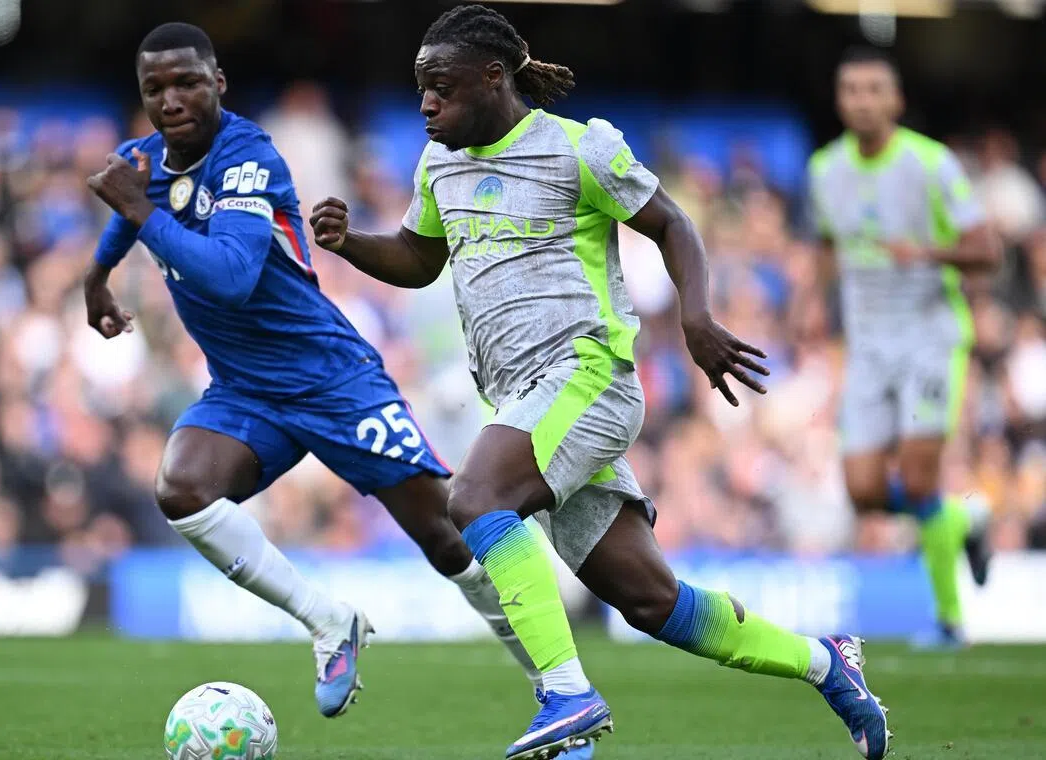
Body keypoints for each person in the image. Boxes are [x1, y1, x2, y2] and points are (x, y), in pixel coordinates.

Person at [309, 5, 890, 760]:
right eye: (420, 88)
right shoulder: (439, 165)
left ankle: (566, 695)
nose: (425, 104)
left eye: (440, 87)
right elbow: (421, 261)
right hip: (526, 403)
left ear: (494, 78)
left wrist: (696, 318)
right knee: (653, 602)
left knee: (476, 498)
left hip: (588, 376)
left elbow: (673, 224)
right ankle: (827, 663)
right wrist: (349, 241)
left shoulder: (577, 149)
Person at [84, 21, 541, 722]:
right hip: (246, 390)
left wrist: (137, 212)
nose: (171, 99)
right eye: (155, 88)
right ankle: (328, 620)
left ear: (219, 84)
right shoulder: (144, 161)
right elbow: (131, 206)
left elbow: (232, 277)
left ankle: (554, 682)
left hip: (331, 378)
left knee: (446, 536)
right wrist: (98, 278)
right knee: (183, 486)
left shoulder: (248, 157)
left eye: (187, 83)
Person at [808, 46, 999, 649]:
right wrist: (814, 298)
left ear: (896, 101)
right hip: (868, 344)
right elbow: (827, 242)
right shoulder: (823, 169)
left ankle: (948, 621)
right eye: (850, 90)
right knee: (862, 490)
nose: (861, 101)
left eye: (873, 90)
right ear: (839, 101)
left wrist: (929, 254)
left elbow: (987, 249)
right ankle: (966, 517)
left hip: (929, 338)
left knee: (918, 482)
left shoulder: (930, 163)